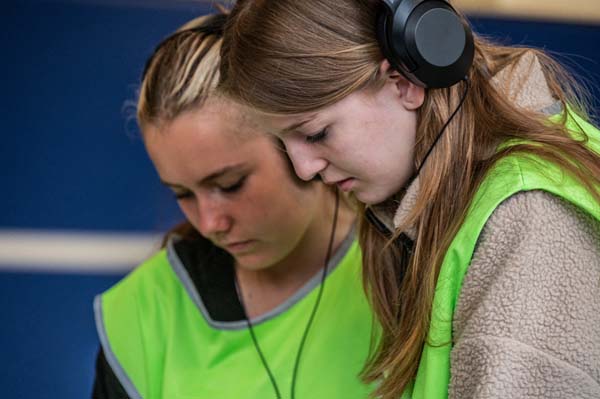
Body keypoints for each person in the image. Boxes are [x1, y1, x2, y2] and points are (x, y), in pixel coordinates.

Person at [218, 1, 600, 398]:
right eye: (282, 144)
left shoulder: (529, 220)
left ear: (404, 83)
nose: (303, 169)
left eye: (316, 134)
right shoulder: (438, 205)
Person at [92, 12, 379, 399]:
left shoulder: (407, 270)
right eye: (183, 194)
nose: (210, 223)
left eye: (230, 184)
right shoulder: (137, 313)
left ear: (297, 143)